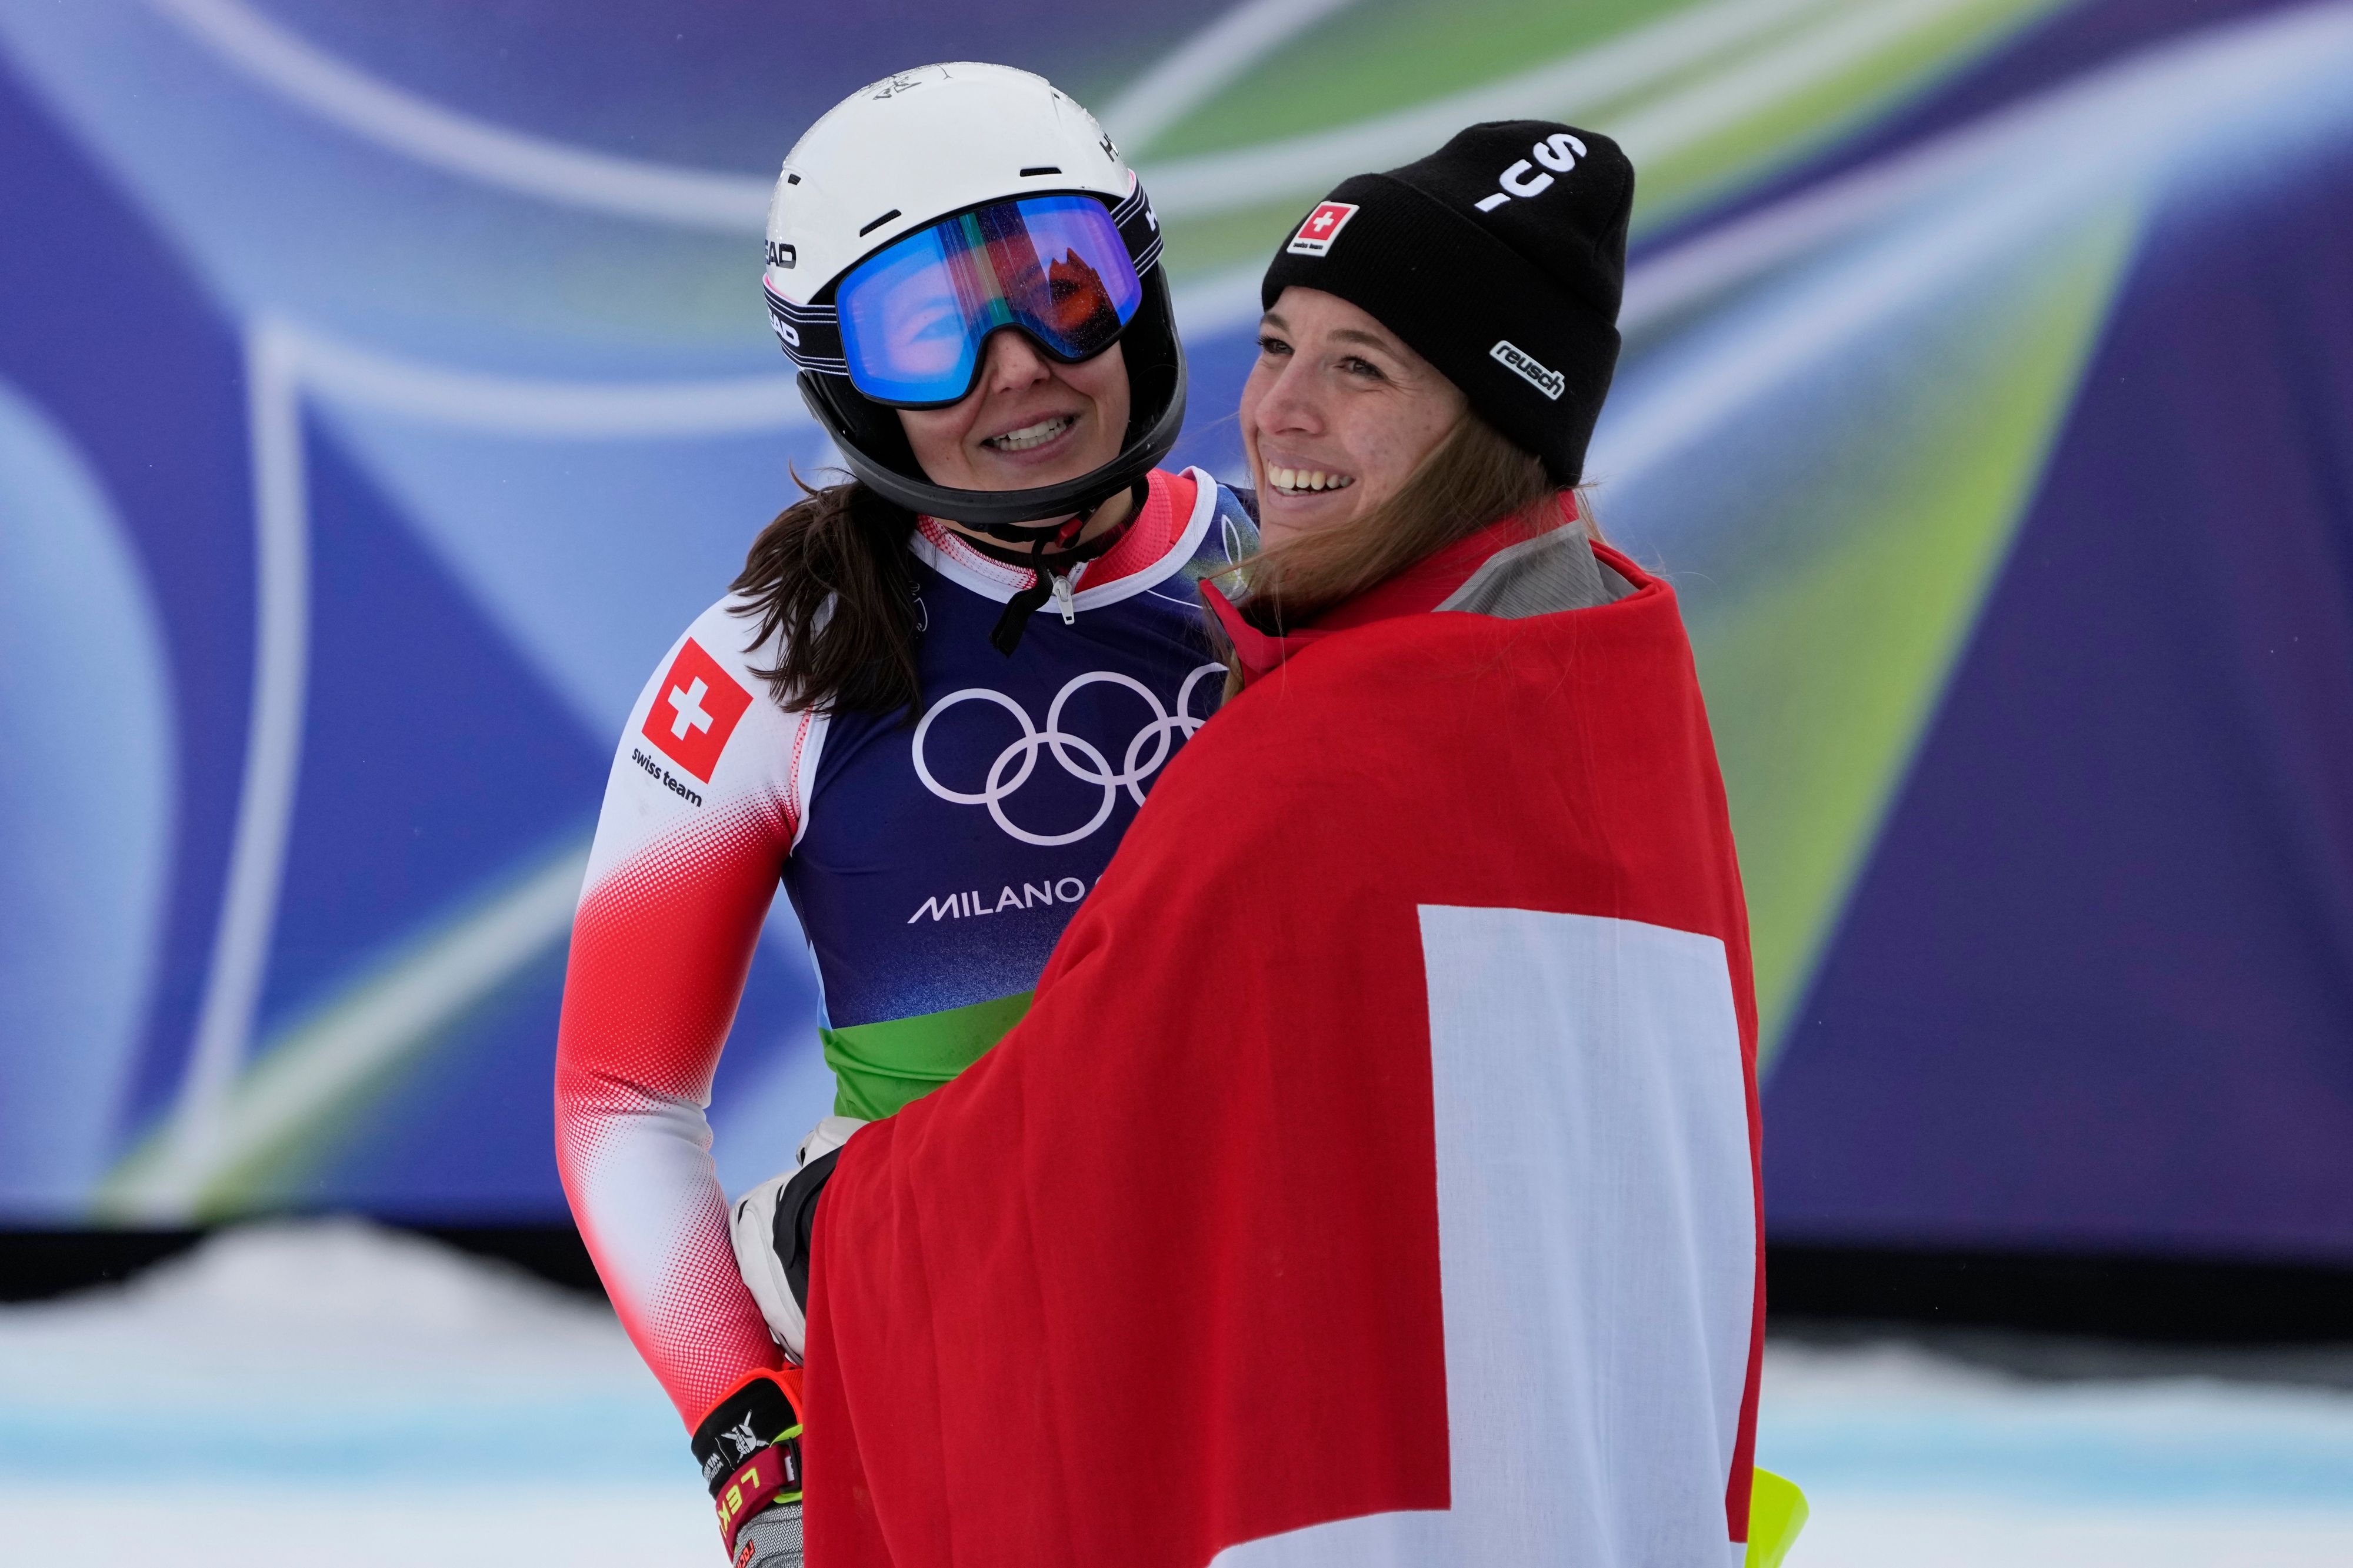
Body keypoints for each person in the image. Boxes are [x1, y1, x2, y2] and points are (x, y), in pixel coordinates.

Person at [738, 122, 1772, 1565]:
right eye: (1278, 343)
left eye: (1362, 368)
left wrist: (823, 1229)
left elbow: (1067, 1172)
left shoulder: (1315, 762)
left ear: (1492, 420)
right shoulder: (1615, 691)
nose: (1279, 411)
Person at [552, 63, 1256, 1567]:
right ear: (849, 378)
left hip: (1286, 1363)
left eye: (1059, 287)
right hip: (957, 1392)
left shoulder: (1301, 576)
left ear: (1129, 295)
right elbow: (618, 1096)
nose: (1014, 366)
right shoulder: (758, 663)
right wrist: (752, 1432)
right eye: (925, 333)